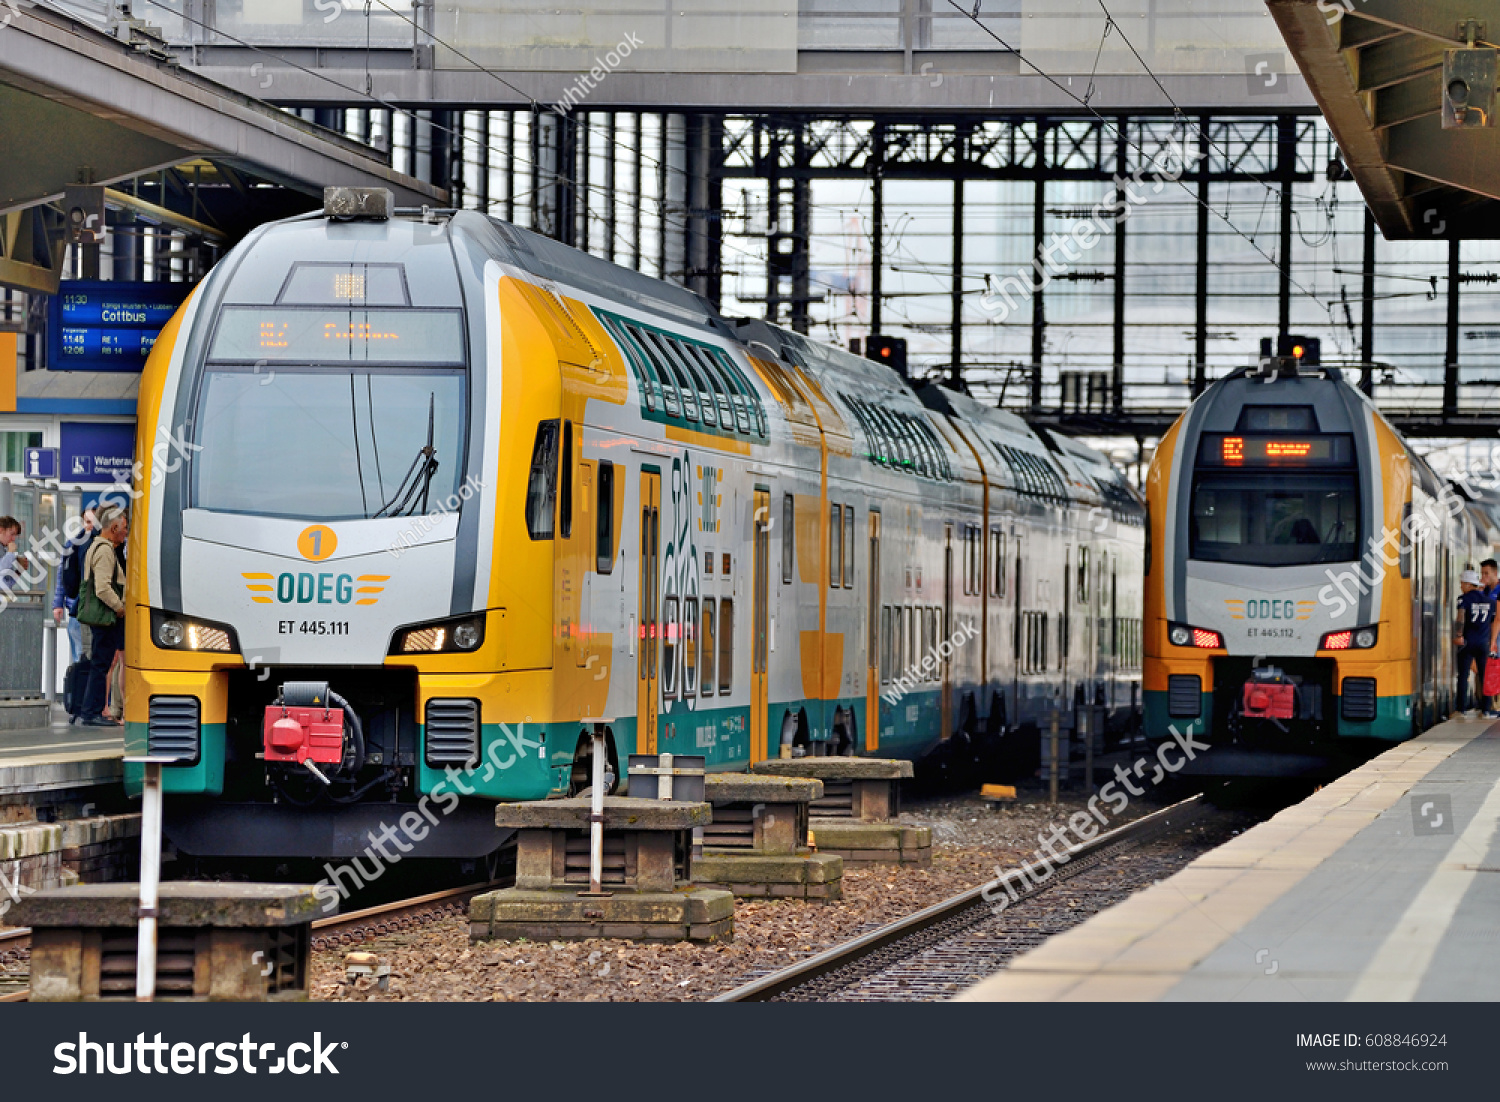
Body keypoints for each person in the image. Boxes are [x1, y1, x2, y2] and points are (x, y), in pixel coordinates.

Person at [76, 506, 128, 728]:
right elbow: (103, 589)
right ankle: (92, 712)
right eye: (124, 528)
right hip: (105, 617)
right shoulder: (105, 551)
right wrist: (120, 607)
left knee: (101, 663)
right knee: (101, 664)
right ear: (114, 527)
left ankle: (92, 710)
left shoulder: (96, 547)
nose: (126, 532)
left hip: (101, 617)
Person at [51, 508, 98, 667]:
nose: (89, 526)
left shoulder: (102, 543)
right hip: (76, 608)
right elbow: (62, 575)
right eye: (87, 522)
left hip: (96, 610)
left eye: (93, 522)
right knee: (79, 654)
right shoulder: (73, 544)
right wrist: (58, 603)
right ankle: (81, 687)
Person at [1455, 568, 1496, 719]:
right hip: (1483, 643)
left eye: (1462, 584)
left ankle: (1461, 709)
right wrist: (1492, 641)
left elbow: (1461, 617)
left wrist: (1459, 635)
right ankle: (1486, 709)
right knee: (1484, 676)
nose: (1461, 586)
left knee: (1463, 675)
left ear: (1467, 584)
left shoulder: (1463, 599)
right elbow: (1493, 622)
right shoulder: (1489, 602)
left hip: (1467, 642)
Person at [1484, 558, 1500, 720]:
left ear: (1495, 573)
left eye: (1487, 573)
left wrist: (1493, 641)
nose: (1484, 577)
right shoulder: (1486, 592)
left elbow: (1498, 619)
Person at [0, 515, 30, 592]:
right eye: (12, 534)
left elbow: (7, 583)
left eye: (15, 535)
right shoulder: (8, 554)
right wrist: (10, 553)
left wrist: (19, 570)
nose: (13, 539)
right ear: (1, 530)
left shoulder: (4, 552)